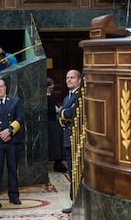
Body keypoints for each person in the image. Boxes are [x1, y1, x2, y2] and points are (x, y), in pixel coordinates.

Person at [0, 78, 24, 208]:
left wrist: (10, 131)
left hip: (13, 140)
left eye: (1, 86)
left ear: (5, 88)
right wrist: (0, 133)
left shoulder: (15, 101)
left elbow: (20, 117)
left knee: (13, 168)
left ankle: (14, 196)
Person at [58, 69, 82, 214]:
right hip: (68, 138)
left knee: (76, 171)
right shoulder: (68, 96)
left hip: (76, 138)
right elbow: (62, 115)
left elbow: (70, 112)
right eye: (67, 77)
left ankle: (77, 202)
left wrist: (63, 113)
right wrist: (63, 114)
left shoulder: (80, 94)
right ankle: (74, 201)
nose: (69, 80)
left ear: (79, 80)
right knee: (72, 171)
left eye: (72, 77)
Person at [47, 77, 67, 173]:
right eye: (50, 88)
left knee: (59, 140)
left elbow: (54, 105)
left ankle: (59, 161)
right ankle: (57, 162)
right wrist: (55, 110)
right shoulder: (43, 97)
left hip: (55, 120)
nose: (51, 90)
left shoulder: (51, 95)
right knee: (55, 143)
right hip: (49, 121)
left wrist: (59, 108)